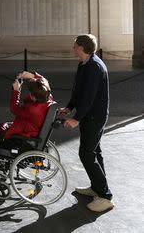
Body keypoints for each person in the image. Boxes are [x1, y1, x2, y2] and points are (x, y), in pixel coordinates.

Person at [58, 34, 114, 213]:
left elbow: (89, 98)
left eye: (75, 46)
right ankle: (97, 188)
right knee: (94, 152)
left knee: (86, 153)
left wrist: (76, 118)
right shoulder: (84, 64)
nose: (73, 49)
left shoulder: (94, 67)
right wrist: (69, 107)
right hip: (89, 116)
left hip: (94, 117)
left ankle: (105, 197)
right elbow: (78, 91)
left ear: (82, 48)